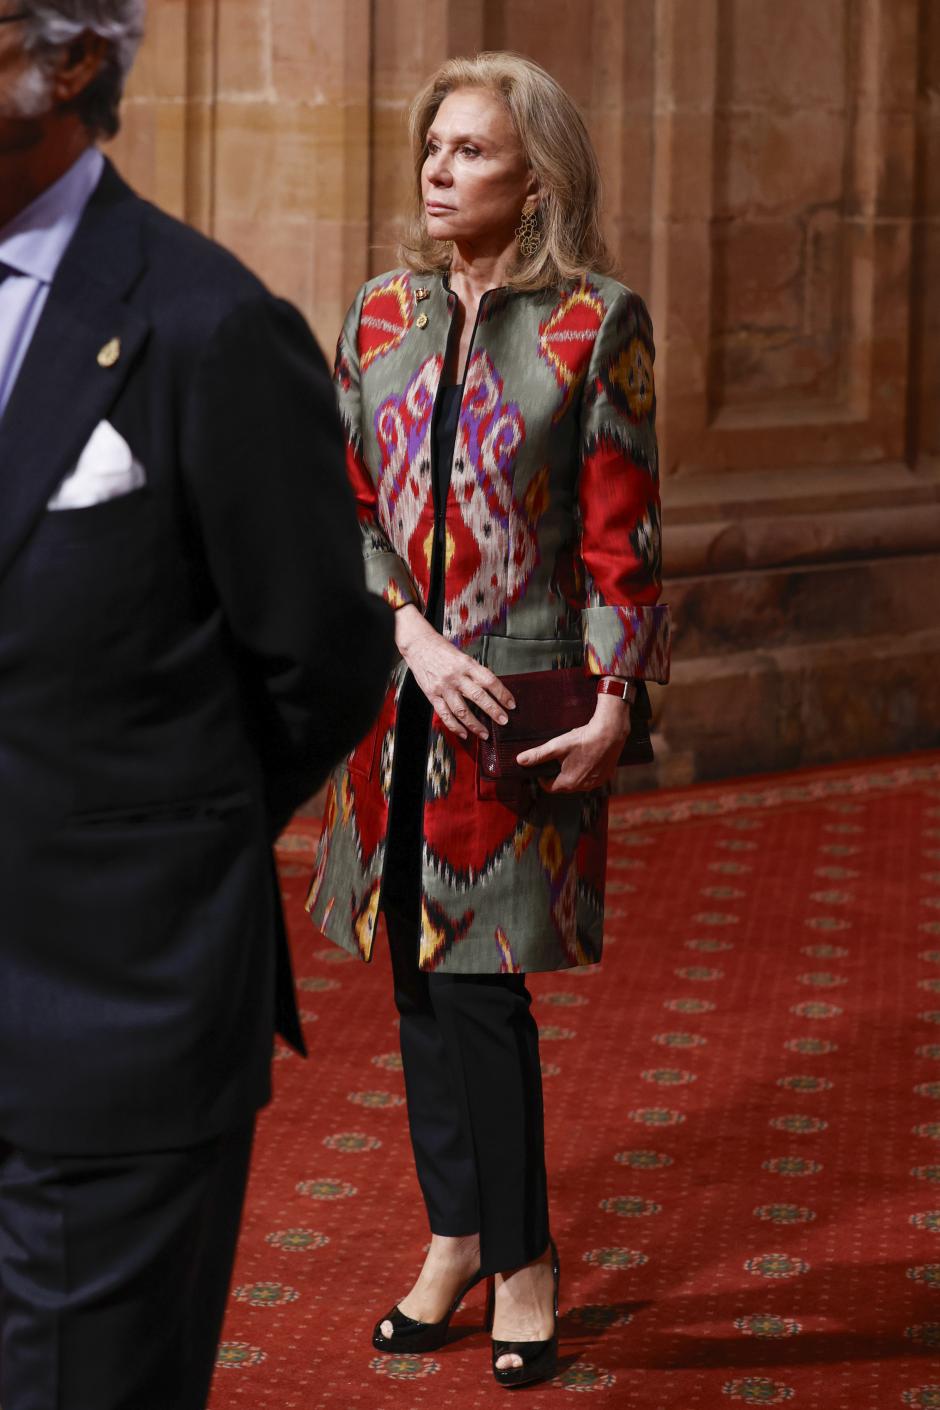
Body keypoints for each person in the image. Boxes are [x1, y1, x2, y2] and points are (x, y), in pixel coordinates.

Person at [0, 3, 394, 1407]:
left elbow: (324, 660)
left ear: (68, 60)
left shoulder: (209, 325)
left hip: (106, 1026)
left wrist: (149, 847)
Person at [307, 50, 670, 1389]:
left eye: (472, 149)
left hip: (520, 709)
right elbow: (339, 503)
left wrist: (618, 692)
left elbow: (622, 534)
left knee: (481, 996)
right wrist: (400, 632)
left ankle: (524, 1259)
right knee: (411, 977)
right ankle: (452, 1235)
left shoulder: (595, 323)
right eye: (433, 145)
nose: (439, 169)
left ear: (538, 177)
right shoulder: (379, 311)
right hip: (394, 705)